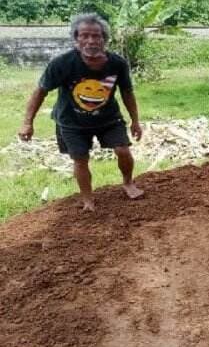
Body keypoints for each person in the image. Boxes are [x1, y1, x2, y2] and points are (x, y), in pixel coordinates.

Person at [18, 13, 144, 211]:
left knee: (123, 150)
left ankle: (128, 182)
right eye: (84, 36)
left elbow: (127, 92)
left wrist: (135, 121)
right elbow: (40, 92)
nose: (90, 41)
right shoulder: (62, 63)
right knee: (80, 158)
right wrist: (27, 122)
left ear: (104, 39)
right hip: (71, 122)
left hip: (108, 118)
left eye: (96, 36)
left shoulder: (117, 64)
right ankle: (88, 199)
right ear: (76, 39)